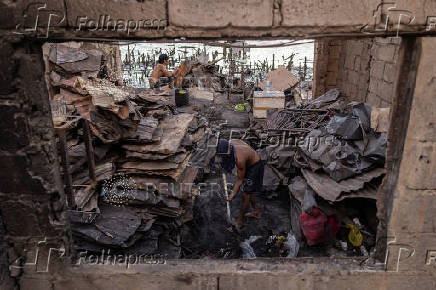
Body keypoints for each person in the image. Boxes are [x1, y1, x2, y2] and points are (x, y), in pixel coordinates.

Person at [215, 139, 264, 229]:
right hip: (249, 160)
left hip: (255, 167)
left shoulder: (240, 160)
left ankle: (240, 220)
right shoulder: (230, 143)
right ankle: (257, 213)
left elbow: (240, 180)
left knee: (246, 194)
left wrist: (232, 195)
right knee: (250, 191)